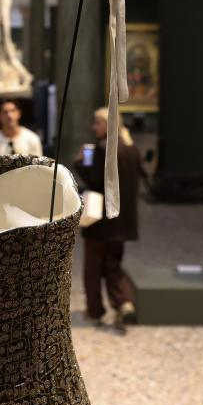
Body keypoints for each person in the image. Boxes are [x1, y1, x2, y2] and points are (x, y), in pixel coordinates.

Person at [73, 107, 140, 329]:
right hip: (122, 220)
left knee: (93, 268)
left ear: (107, 123)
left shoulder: (103, 149)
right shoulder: (131, 148)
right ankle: (124, 303)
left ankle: (95, 311)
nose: (94, 127)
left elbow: (94, 180)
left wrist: (80, 161)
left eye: (97, 123)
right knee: (114, 265)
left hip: (100, 220)